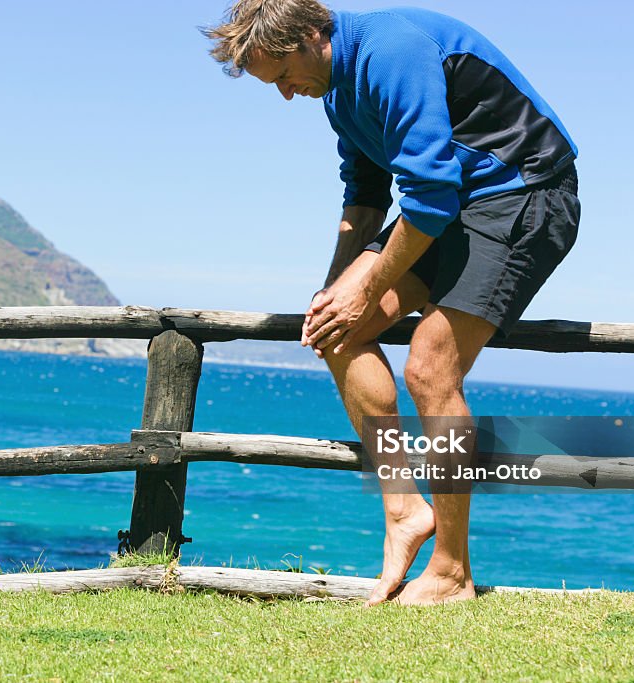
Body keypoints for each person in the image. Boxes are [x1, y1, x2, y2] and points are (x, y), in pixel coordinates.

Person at [205, 0, 580, 605]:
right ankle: (406, 510)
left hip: (524, 195)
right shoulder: (337, 91)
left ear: (308, 36)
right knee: (335, 328)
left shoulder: (391, 50)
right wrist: (335, 290)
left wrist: (368, 286)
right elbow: (366, 194)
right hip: (450, 206)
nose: (283, 95)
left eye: (280, 77)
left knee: (430, 369)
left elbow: (428, 197)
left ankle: (453, 571)